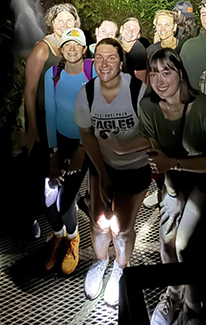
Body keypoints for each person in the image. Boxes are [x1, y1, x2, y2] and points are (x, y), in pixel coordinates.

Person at [139, 48, 206, 325]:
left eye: (167, 72)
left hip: (203, 178)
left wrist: (174, 165)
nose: (160, 79)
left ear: (181, 73)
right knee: (165, 242)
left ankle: (193, 306)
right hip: (174, 181)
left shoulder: (204, 110)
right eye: (154, 73)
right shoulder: (148, 107)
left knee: (183, 244)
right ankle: (173, 293)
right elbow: (156, 157)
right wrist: (173, 194)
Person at [74, 38, 151, 307]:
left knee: (123, 227)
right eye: (99, 58)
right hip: (102, 167)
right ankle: (100, 262)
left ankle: (120, 267)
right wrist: (102, 170)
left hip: (135, 169)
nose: (105, 63)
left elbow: (154, 134)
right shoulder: (88, 93)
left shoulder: (137, 90)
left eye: (111, 57)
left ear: (121, 61)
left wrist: (125, 147)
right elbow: (87, 135)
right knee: (98, 222)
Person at [22, 3, 81, 236]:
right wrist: (32, 128)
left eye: (69, 20)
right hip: (41, 118)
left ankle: (63, 207)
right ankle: (30, 216)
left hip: (61, 120)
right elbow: (30, 90)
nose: (64, 25)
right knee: (38, 170)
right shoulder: (42, 49)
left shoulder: (72, 47)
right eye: (59, 21)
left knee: (57, 167)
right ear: (52, 23)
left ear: (75, 23)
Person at [43, 28, 93, 275]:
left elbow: (99, 109)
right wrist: (53, 154)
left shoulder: (93, 71)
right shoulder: (52, 75)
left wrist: (83, 149)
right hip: (58, 142)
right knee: (48, 199)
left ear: (85, 49)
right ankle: (58, 235)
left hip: (84, 143)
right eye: (67, 45)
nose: (72, 49)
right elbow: (50, 114)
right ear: (61, 50)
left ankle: (73, 238)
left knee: (65, 203)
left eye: (77, 45)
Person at [119, 17, 147, 81]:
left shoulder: (139, 52)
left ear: (138, 35)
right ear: (121, 29)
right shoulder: (116, 42)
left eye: (135, 30)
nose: (130, 31)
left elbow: (141, 80)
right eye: (128, 27)